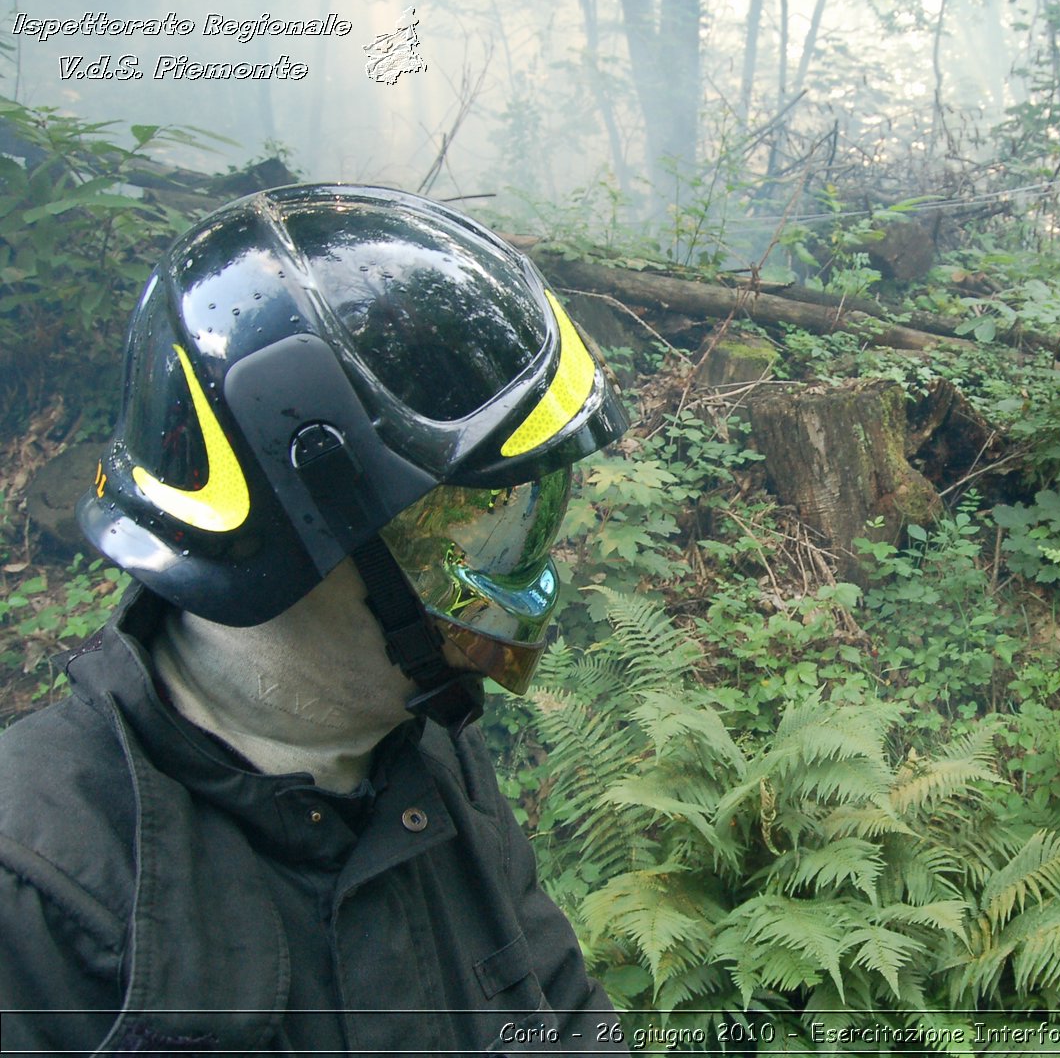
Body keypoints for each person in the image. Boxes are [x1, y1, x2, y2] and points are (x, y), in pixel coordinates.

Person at [0, 185, 633, 1055]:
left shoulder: (427, 757)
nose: (520, 582)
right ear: (300, 536)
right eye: (466, 525)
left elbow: (566, 1027)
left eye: (522, 520)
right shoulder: (34, 884)